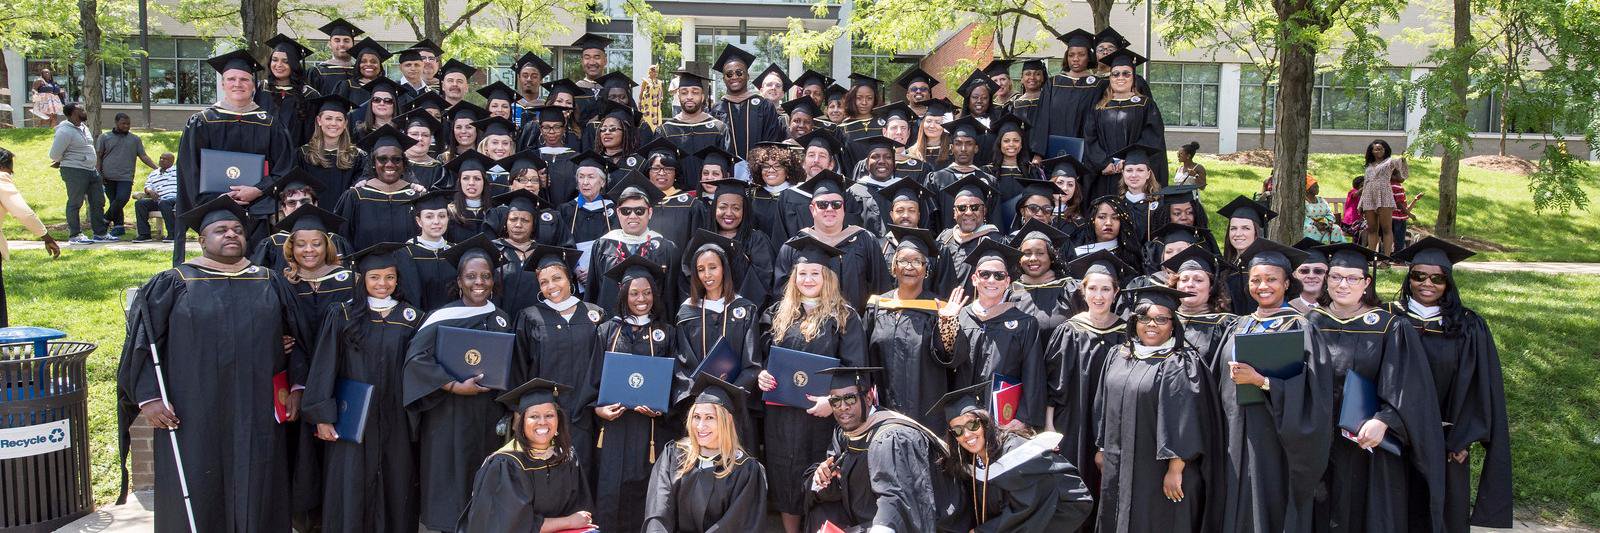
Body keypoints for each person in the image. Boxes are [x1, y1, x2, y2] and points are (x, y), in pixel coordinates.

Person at [116, 196, 310, 532]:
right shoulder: (174, 282)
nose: (231, 234)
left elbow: (299, 339)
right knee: (197, 484)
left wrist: (296, 387)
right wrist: (148, 397)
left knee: (260, 481)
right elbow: (142, 346)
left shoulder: (267, 280)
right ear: (202, 239)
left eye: (237, 229)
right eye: (221, 230)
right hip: (193, 410)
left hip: (258, 407)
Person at [1307, 243, 1446, 532]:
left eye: (1352, 278)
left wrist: (1385, 421)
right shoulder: (1309, 322)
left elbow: (1408, 385)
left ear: (1366, 282)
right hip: (1317, 438)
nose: (1342, 284)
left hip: (1368, 442)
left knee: (1366, 511)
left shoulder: (1389, 326)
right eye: (1335, 277)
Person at [1388, 237, 1513, 532]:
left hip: (1445, 441)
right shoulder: (1387, 318)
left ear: (1448, 283)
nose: (1426, 284)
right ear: (1409, 278)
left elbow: (1480, 387)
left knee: (1441, 512)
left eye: (1437, 278)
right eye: (1418, 276)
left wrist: (1463, 437)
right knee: (1394, 507)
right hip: (1393, 437)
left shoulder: (1467, 326)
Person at [1212, 238, 1334, 532]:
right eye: (1256, 280)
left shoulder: (1301, 327)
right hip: (1234, 433)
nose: (1262, 286)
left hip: (1277, 439)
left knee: (1269, 505)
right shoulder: (1237, 325)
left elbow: (1313, 392)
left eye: (1271, 279)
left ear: (1286, 283)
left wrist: (1262, 382)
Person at [301, 242, 423, 533]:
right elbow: (324, 365)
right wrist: (321, 414)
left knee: (396, 478)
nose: (383, 283)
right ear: (362, 279)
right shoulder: (343, 315)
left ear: (398, 279)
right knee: (350, 479)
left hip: (395, 416)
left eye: (390, 277)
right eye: (375, 277)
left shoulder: (411, 318)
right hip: (352, 416)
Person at [748, 237, 867, 533]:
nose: (808, 279)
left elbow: (856, 370)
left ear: (827, 277)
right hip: (782, 415)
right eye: (802, 273)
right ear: (793, 277)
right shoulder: (777, 314)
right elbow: (760, 358)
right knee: (784, 474)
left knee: (821, 476)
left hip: (823, 418)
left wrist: (834, 403)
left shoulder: (844, 316)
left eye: (815, 273)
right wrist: (761, 375)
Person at [400, 236, 519, 531]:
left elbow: (512, 369)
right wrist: (452, 385)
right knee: (448, 483)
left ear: (494, 280)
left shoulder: (501, 318)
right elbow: (416, 361)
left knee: (484, 479)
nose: (479, 282)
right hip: (447, 418)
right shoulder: (441, 318)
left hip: (487, 417)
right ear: (459, 280)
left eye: (486, 276)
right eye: (471, 276)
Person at [1094, 285, 1223, 533]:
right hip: (1118, 460)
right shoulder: (1118, 355)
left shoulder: (1180, 361)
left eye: (1161, 319)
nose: (1151, 325)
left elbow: (1185, 417)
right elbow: (1103, 402)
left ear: (1173, 324)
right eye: (1144, 317)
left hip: (1158, 468)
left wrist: (1176, 468)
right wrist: (1101, 447)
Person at [175, 49, 297, 265]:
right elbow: (189, 171)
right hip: (214, 209)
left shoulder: (269, 123)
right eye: (231, 79)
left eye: (244, 79)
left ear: (253, 85)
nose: (237, 84)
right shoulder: (203, 121)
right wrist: (216, 200)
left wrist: (258, 189)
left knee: (257, 267)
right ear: (223, 84)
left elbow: (285, 167)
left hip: (258, 210)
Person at [1042, 249, 1134, 530]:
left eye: (1106, 289)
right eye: (1092, 288)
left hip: (1116, 423)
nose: (1099, 295)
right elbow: (1051, 385)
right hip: (1074, 423)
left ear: (1116, 292)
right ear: (1083, 291)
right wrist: (1048, 428)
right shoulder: (1069, 331)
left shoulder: (1126, 332)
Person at [590, 256, 680, 533]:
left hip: (650, 428)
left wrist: (663, 407)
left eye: (647, 292)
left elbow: (677, 381)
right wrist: (597, 408)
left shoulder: (667, 333)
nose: (642, 298)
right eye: (634, 293)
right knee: (608, 490)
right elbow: (592, 378)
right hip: (613, 429)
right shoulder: (607, 331)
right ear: (623, 295)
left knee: (646, 491)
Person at [931, 383, 1095, 532]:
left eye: (972, 425)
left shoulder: (1017, 454)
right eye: (958, 431)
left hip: (1055, 514)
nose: (966, 434)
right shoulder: (970, 458)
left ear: (983, 422)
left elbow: (1027, 508)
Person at [803, 367, 947, 531]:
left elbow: (896, 498)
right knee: (820, 513)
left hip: (888, 524)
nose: (842, 407)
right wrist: (822, 477)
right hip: (859, 518)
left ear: (869, 398)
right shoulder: (845, 432)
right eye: (835, 401)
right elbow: (835, 484)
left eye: (850, 399)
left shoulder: (892, 437)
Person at [456, 378, 595, 533]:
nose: (542, 422)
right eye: (534, 416)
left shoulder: (566, 456)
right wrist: (568, 522)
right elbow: (513, 525)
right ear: (521, 423)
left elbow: (580, 510)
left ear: (558, 420)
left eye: (549, 415)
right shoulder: (506, 463)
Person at [512, 244, 606, 469]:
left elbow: (606, 364)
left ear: (570, 279)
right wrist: (519, 410)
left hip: (588, 412)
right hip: (546, 412)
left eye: (557, 278)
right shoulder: (530, 317)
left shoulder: (595, 314)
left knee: (587, 467)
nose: (551, 286)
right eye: (544, 282)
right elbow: (519, 367)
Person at [936, 239, 1047, 430]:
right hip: (962, 420)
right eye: (985, 274)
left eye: (998, 275)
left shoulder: (1025, 324)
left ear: (1007, 281)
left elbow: (1033, 376)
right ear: (974, 279)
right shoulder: (959, 316)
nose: (991, 280)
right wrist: (947, 323)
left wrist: (1022, 418)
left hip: (1004, 421)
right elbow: (946, 363)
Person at [643, 373, 770, 531]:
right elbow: (659, 510)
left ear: (727, 420)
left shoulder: (745, 470)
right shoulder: (674, 455)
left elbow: (735, 524)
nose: (700, 426)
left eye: (710, 418)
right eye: (697, 417)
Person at [865, 225, 951, 430]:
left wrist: (950, 322)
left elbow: (950, 357)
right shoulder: (876, 306)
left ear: (926, 269)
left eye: (917, 261)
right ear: (893, 267)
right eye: (902, 260)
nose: (909, 267)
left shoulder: (938, 309)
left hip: (927, 410)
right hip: (884, 406)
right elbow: (864, 354)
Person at [774, 171, 890, 311]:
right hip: (807, 329)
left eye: (836, 204)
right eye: (822, 204)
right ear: (812, 209)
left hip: (855, 328)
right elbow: (782, 296)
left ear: (843, 208)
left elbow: (880, 289)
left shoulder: (865, 241)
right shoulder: (793, 246)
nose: (829, 209)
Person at [582, 175, 680, 314]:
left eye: (639, 211)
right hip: (611, 328)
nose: (632, 216)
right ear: (618, 212)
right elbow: (592, 292)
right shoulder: (603, 245)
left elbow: (671, 297)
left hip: (652, 329)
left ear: (650, 212)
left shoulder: (666, 248)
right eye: (626, 211)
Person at [1083, 49, 1167, 201]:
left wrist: (1129, 161)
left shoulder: (1145, 105)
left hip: (1133, 172)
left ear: (1134, 77)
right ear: (1110, 77)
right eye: (1115, 74)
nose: (1120, 77)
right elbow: (1090, 137)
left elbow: (1153, 135)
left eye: (1126, 73)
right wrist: (1104, 163)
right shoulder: (1099, 107)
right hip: (1105, 173)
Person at [335, 126, 423, 251]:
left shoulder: (418, 197)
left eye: (396, 159)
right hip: (367, 269)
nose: (389, 164)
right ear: (373, 163)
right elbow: (342, 240)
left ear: (404, 163)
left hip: (410, 268)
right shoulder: (355, 196)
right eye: (382, 159)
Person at [0, 147, 61, 326]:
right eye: (11, 169)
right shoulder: (1, 179)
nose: (12, 173)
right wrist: (47, 237)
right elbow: (23, 213)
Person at [1030, 29, 1103, 156]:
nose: (1075, 59)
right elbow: (1042, 118)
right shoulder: (1053, 83)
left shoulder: (1098, 85)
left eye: (1081, 54)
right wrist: (1038, 153)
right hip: (1053, 149)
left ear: (1089, 57)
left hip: (1086, 152)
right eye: (1071, 55)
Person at [50, 102, 113, 244]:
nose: (84, 111)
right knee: (75, 202)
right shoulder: (64, 131)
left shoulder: (83, 127)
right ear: (72, 113)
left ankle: (100, 234)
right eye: (80, 109)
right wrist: (68, 160)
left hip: (91, 170)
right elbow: (54, 155)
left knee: (98, 201)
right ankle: (75, 235)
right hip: (74, 170)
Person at [708, 46, 786, 159]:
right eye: (729, 74)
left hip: (758, 171)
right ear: (724, 79)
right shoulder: (717, 110)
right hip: (726, 172)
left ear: (748, 76)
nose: (734, 77)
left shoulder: (764, 106)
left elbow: (771, 142)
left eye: (739, 73)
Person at [97, 113, 159, 238]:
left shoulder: (135, 139)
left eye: (128, 124)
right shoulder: (105, 137)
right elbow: (99, 156)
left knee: (122, 199)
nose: (126, 126)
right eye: (123, 124)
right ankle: (119, 227)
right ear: (116, 123)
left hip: (126, 176)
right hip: (108, 176)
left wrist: (157, 168)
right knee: (114, 202)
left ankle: (104, 220)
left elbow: (143, 156)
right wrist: (99, 173)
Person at [1009, 219, 1076, 330]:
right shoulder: (1011, 292)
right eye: (1027, 253)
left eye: (1040, 253)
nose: (1033, 258)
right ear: (1019, 259)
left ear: (1051, 257)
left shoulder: (1070, 290)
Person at [258, 34, 321, 147]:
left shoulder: (309, 94)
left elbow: (310, 133)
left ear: (294, 64)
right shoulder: (262, 89)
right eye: (275, 60)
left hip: (295, 158)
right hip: (264, 157)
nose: (278, 65)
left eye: (285, 61)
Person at [1217, 195, 1275, 314]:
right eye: (1233, 228)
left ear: (1256, 232)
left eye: (1245, 228)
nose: (1238, 233)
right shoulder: (1225, 269)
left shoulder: (1268, 266)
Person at [301, 94, 367, 197]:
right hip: (313, 211)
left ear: (345, 124)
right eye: (328, 118)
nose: (333, 123)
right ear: (319, 121)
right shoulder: (304, 154)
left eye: (339, 119)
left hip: (345, 211)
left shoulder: (357, 156)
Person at [1360, 139, 1407, 255]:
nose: (1378, 151)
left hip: (1384, 195)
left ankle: (1386, 258)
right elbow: (1365, 184)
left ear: (1385, 150)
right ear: (1371, 151)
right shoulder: (1369, 166)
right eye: (1375, 149)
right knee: (1371, 228)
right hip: (1368, 197)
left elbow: (1403, 175)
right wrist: (1360, 203)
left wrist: (1404, 160)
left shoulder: (1390, 162)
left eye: (1380, 148)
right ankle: (1371, 257)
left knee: (1386, 228)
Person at [308, 19, 363, 98]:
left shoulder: (360, 72)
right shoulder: (317, 72)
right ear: (329, 44)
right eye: (337, 40)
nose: (342, 44)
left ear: (354, 44)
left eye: (346, 41)